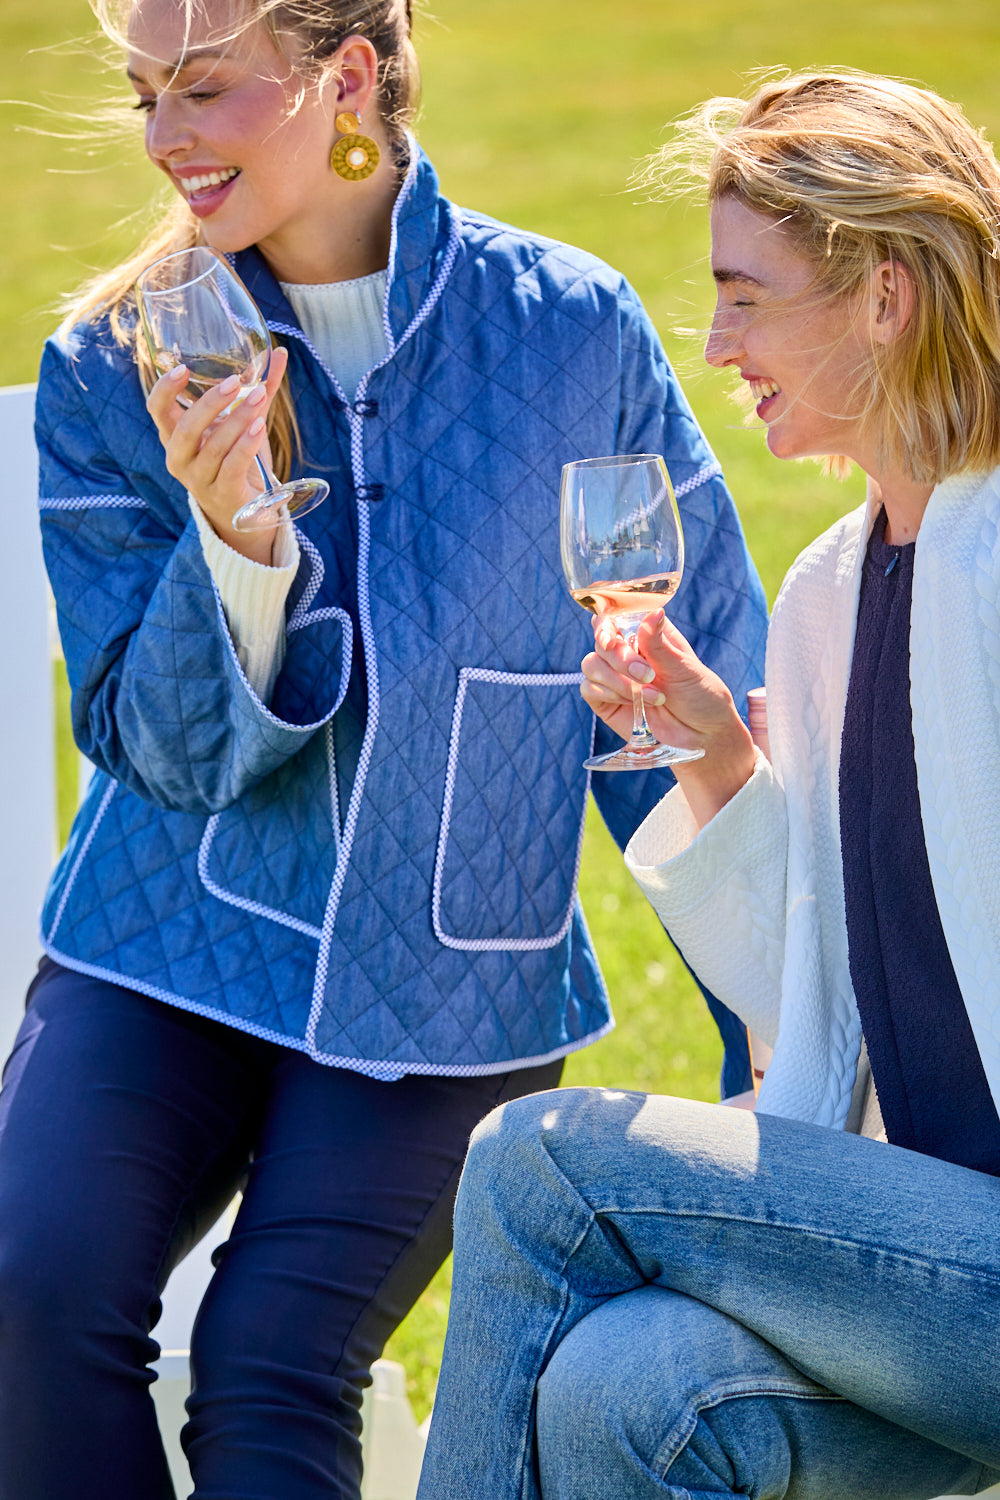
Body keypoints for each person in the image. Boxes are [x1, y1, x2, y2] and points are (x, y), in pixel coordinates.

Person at [0, 1, 769, 1496]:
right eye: (145, 91)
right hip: (170, 949)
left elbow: (684, 689)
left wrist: (767, 1041)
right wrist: (232, 551)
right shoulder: (110, 366)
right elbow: (150, 751)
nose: (164, 139)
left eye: (206, 88)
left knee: (273, 1358)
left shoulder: (570, 331)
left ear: (343, 76)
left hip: (449, 990)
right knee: (28, 1294)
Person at [415, 69, 1000, 1500]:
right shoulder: (828, 597)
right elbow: (814, 1014)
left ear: (883, 296)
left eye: (748, 295)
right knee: (631, 1390)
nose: (718, 340)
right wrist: (719, 754)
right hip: (932, 1266)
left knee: (538, 1155)